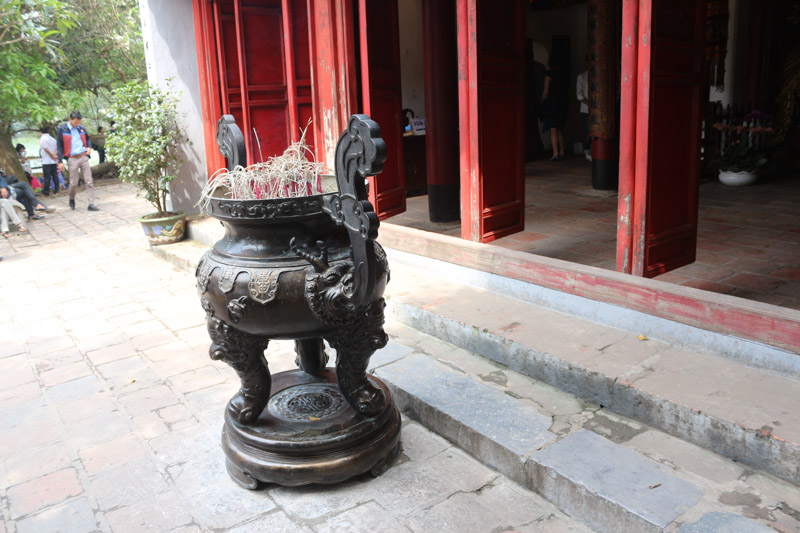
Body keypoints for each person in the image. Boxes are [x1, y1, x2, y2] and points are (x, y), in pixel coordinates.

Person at [57, 111, 99, 211]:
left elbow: (88, 139)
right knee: (73, 183)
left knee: (89, 181)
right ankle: (71, 198)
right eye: (75, 122)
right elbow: (59, 146)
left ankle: (91, 203)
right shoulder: (62, 129)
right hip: (72, 158)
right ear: (70, 119)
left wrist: (89, 147)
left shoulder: (81, 128)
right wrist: (60, 161)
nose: (77, 124)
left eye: (78, 122)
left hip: (83, 156)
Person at [541, 58, 569, 161]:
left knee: (553, 128)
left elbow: (545, 91)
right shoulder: (563, 73)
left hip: (553, 103)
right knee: (561, 128)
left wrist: (542, 102)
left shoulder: (549, 74)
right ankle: (562, 151)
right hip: (563, 102)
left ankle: (555, 153)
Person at [39, 127, 59, 196]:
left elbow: (45, 149)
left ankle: (46, 191)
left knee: (47, 177)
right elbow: (57, 148)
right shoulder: (53, 139)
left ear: (40, 132)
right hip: (53, 161)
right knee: (55, 176)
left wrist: (51, 155)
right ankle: (56, 190)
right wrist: (54, 154)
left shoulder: (42, 138)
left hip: (46, 161)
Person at [576, 67, 591, 161]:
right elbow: (579, 95)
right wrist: (591, 104)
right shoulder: (581, 76)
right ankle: (587, 150)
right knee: (587, 130)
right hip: (586, 108)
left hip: (595, 107)